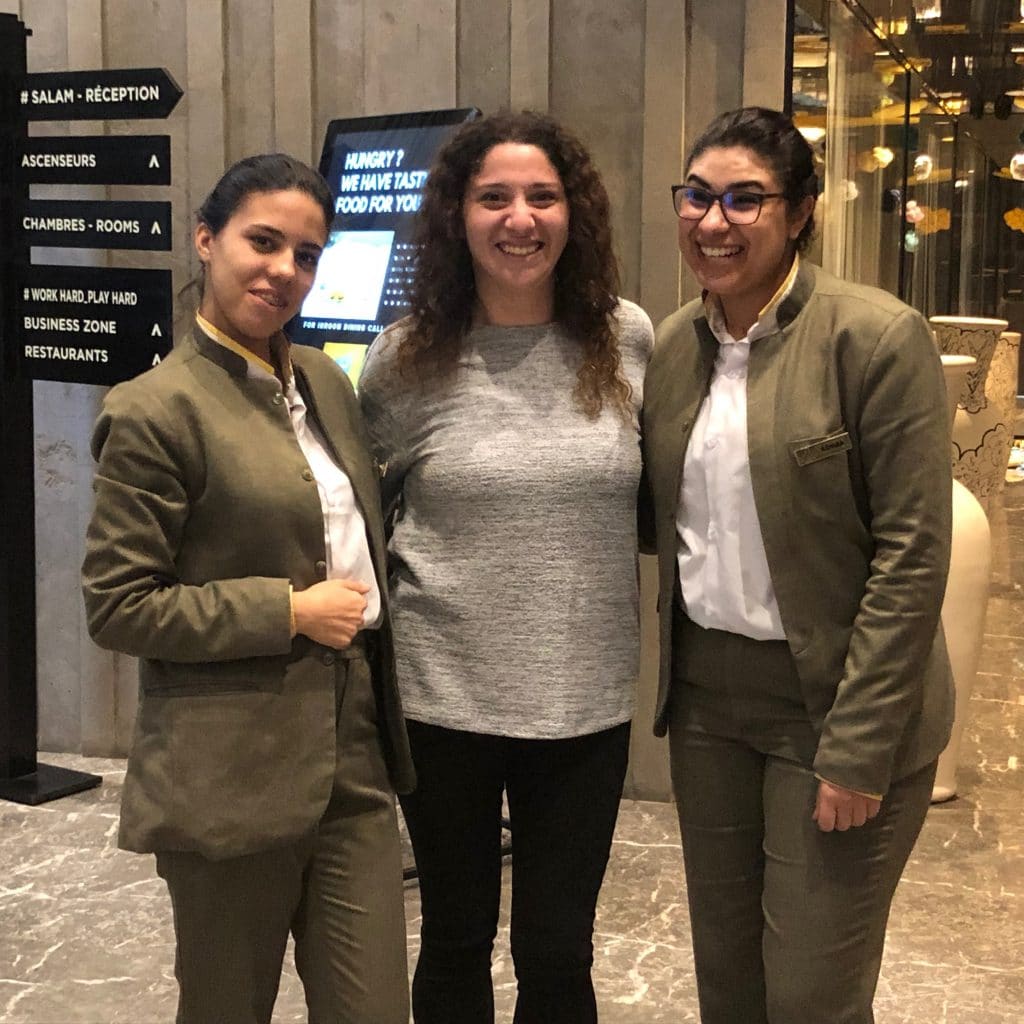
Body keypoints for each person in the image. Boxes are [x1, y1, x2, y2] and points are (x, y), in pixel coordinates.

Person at [81, 153, 414, 1024]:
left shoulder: (328, 385)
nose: (284, 271)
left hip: (355, 755)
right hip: (228, 771)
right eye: (262, 242)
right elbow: (118, 603)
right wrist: (288, 609)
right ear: (205, 238)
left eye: (307, 255)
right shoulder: (155, 409)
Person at [640, 106, 955, 1024]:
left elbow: (912, 556)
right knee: (729, 980)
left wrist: (857, 749)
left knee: (812, 991)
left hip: (839, 703)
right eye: (697, 197)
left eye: (745, 200)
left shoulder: (876, 338)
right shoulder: (670, 348)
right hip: (707, 707)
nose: (714, 222)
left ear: (802, 211)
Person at [358, 110, 653, 1024]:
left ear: (576, 214)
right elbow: (359, 517)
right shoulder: (405, 357)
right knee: (453, 940)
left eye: (542, 196)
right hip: (443, 701)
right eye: (493, 197)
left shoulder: (628, 339)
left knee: (558, 953)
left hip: (585, 705)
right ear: (458, 215)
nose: (519, 218)